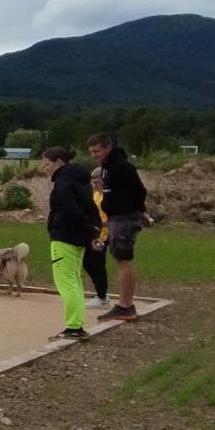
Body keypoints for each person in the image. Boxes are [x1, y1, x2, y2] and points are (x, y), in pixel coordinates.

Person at [41, 146, 101, 340]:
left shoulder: (63, 182)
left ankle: (74, 326)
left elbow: (70, 208)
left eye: (47, 164)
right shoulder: (80, 180)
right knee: (73, 280)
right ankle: (76, 324)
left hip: (64, 236)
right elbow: (88, 207)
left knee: (66, 281)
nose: (45, 168)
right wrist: (91, 228)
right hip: (78, 236)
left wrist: (60, 225)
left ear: (59, 162)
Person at [87, 133, 148, 322]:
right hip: (115, 216)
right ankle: (123, 304)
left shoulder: (122, 167)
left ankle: (125, 306)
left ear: (107, 147)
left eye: (96, 151)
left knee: (123, 258)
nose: (93, 155)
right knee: (119, 257)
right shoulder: (107, 167)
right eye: (91, 152)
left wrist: (139, 211)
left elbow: (139, 191)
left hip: (124, 217)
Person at [82, 167, 110, 309]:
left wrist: (104, 222)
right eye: (93, 182)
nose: (95, 184)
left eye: (98, 182)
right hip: (94, 234)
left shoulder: (108, 195)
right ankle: (101, 294)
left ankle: (102, 297)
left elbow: (113, 214)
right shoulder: (96, 194)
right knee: (88, 263)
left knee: (96, 264)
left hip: (103, 235)